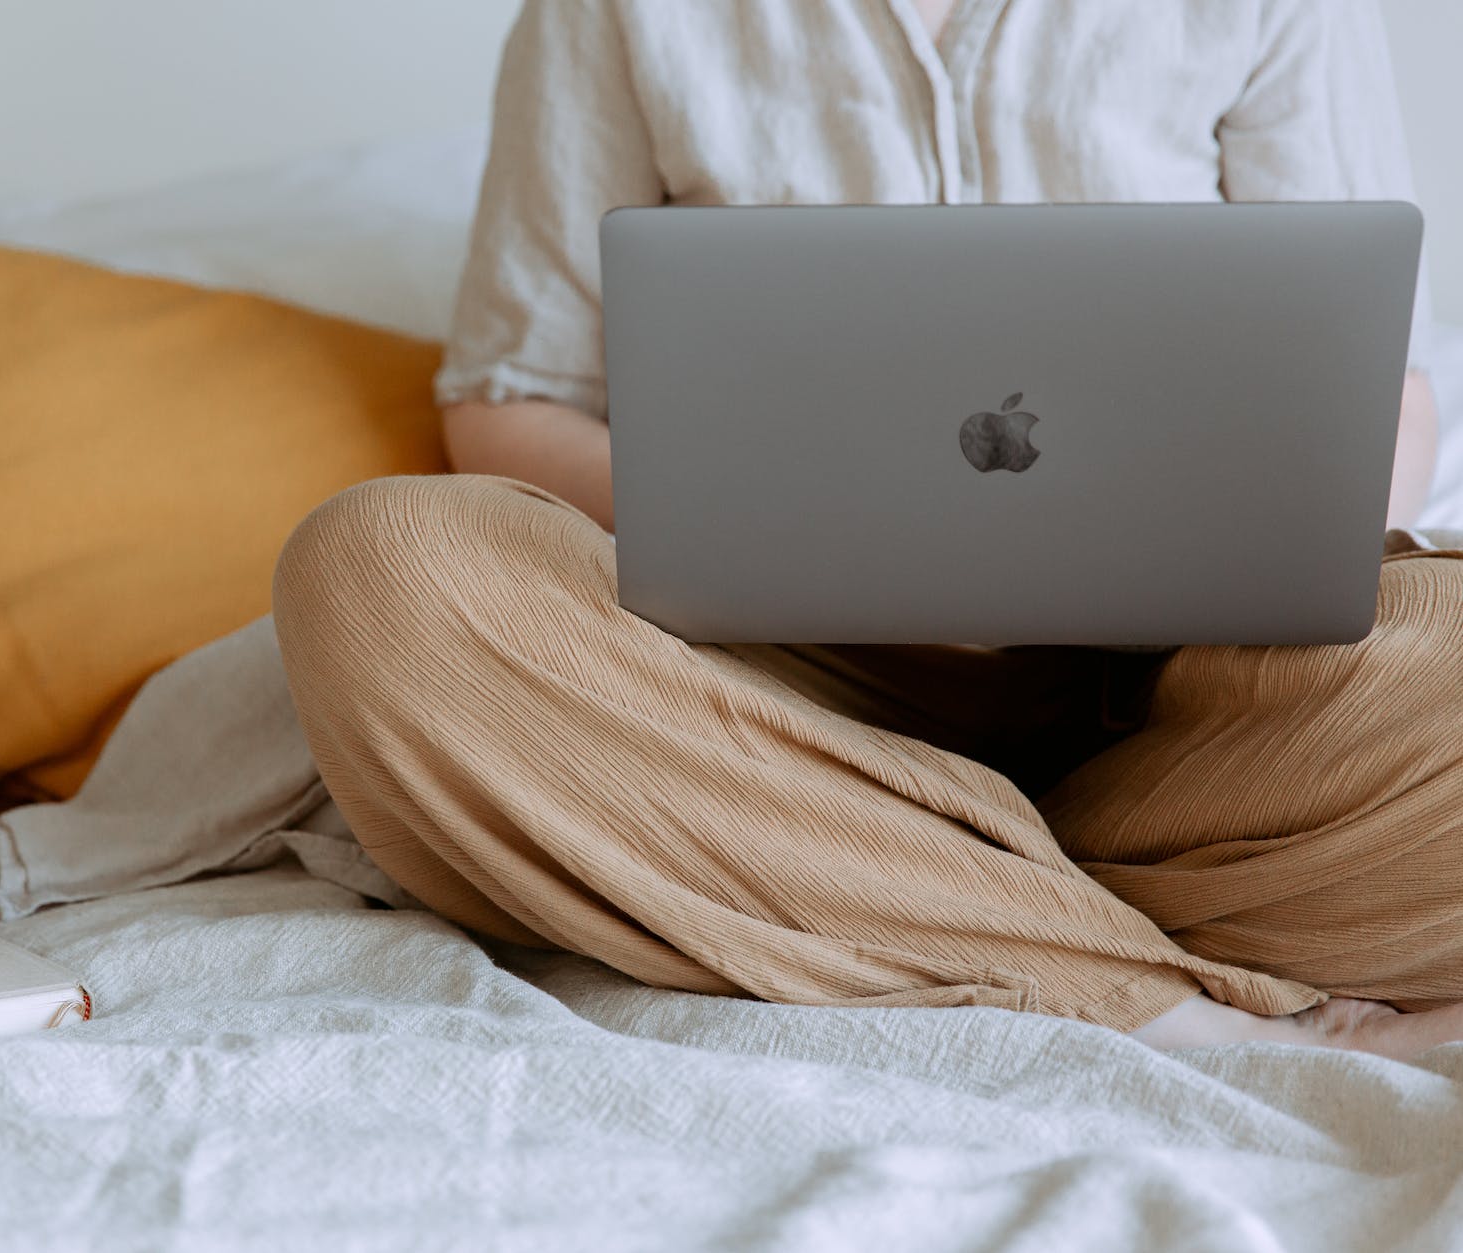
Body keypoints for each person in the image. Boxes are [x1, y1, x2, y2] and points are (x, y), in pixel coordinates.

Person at [273, 0, 1463, 1059]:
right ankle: (1143, 987)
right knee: (382, 569)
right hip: (766, 689)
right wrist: (761, 521)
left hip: (1191, 719)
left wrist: (1273, 543)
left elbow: (1378, 385)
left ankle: (841, 877)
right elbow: (509, 398)